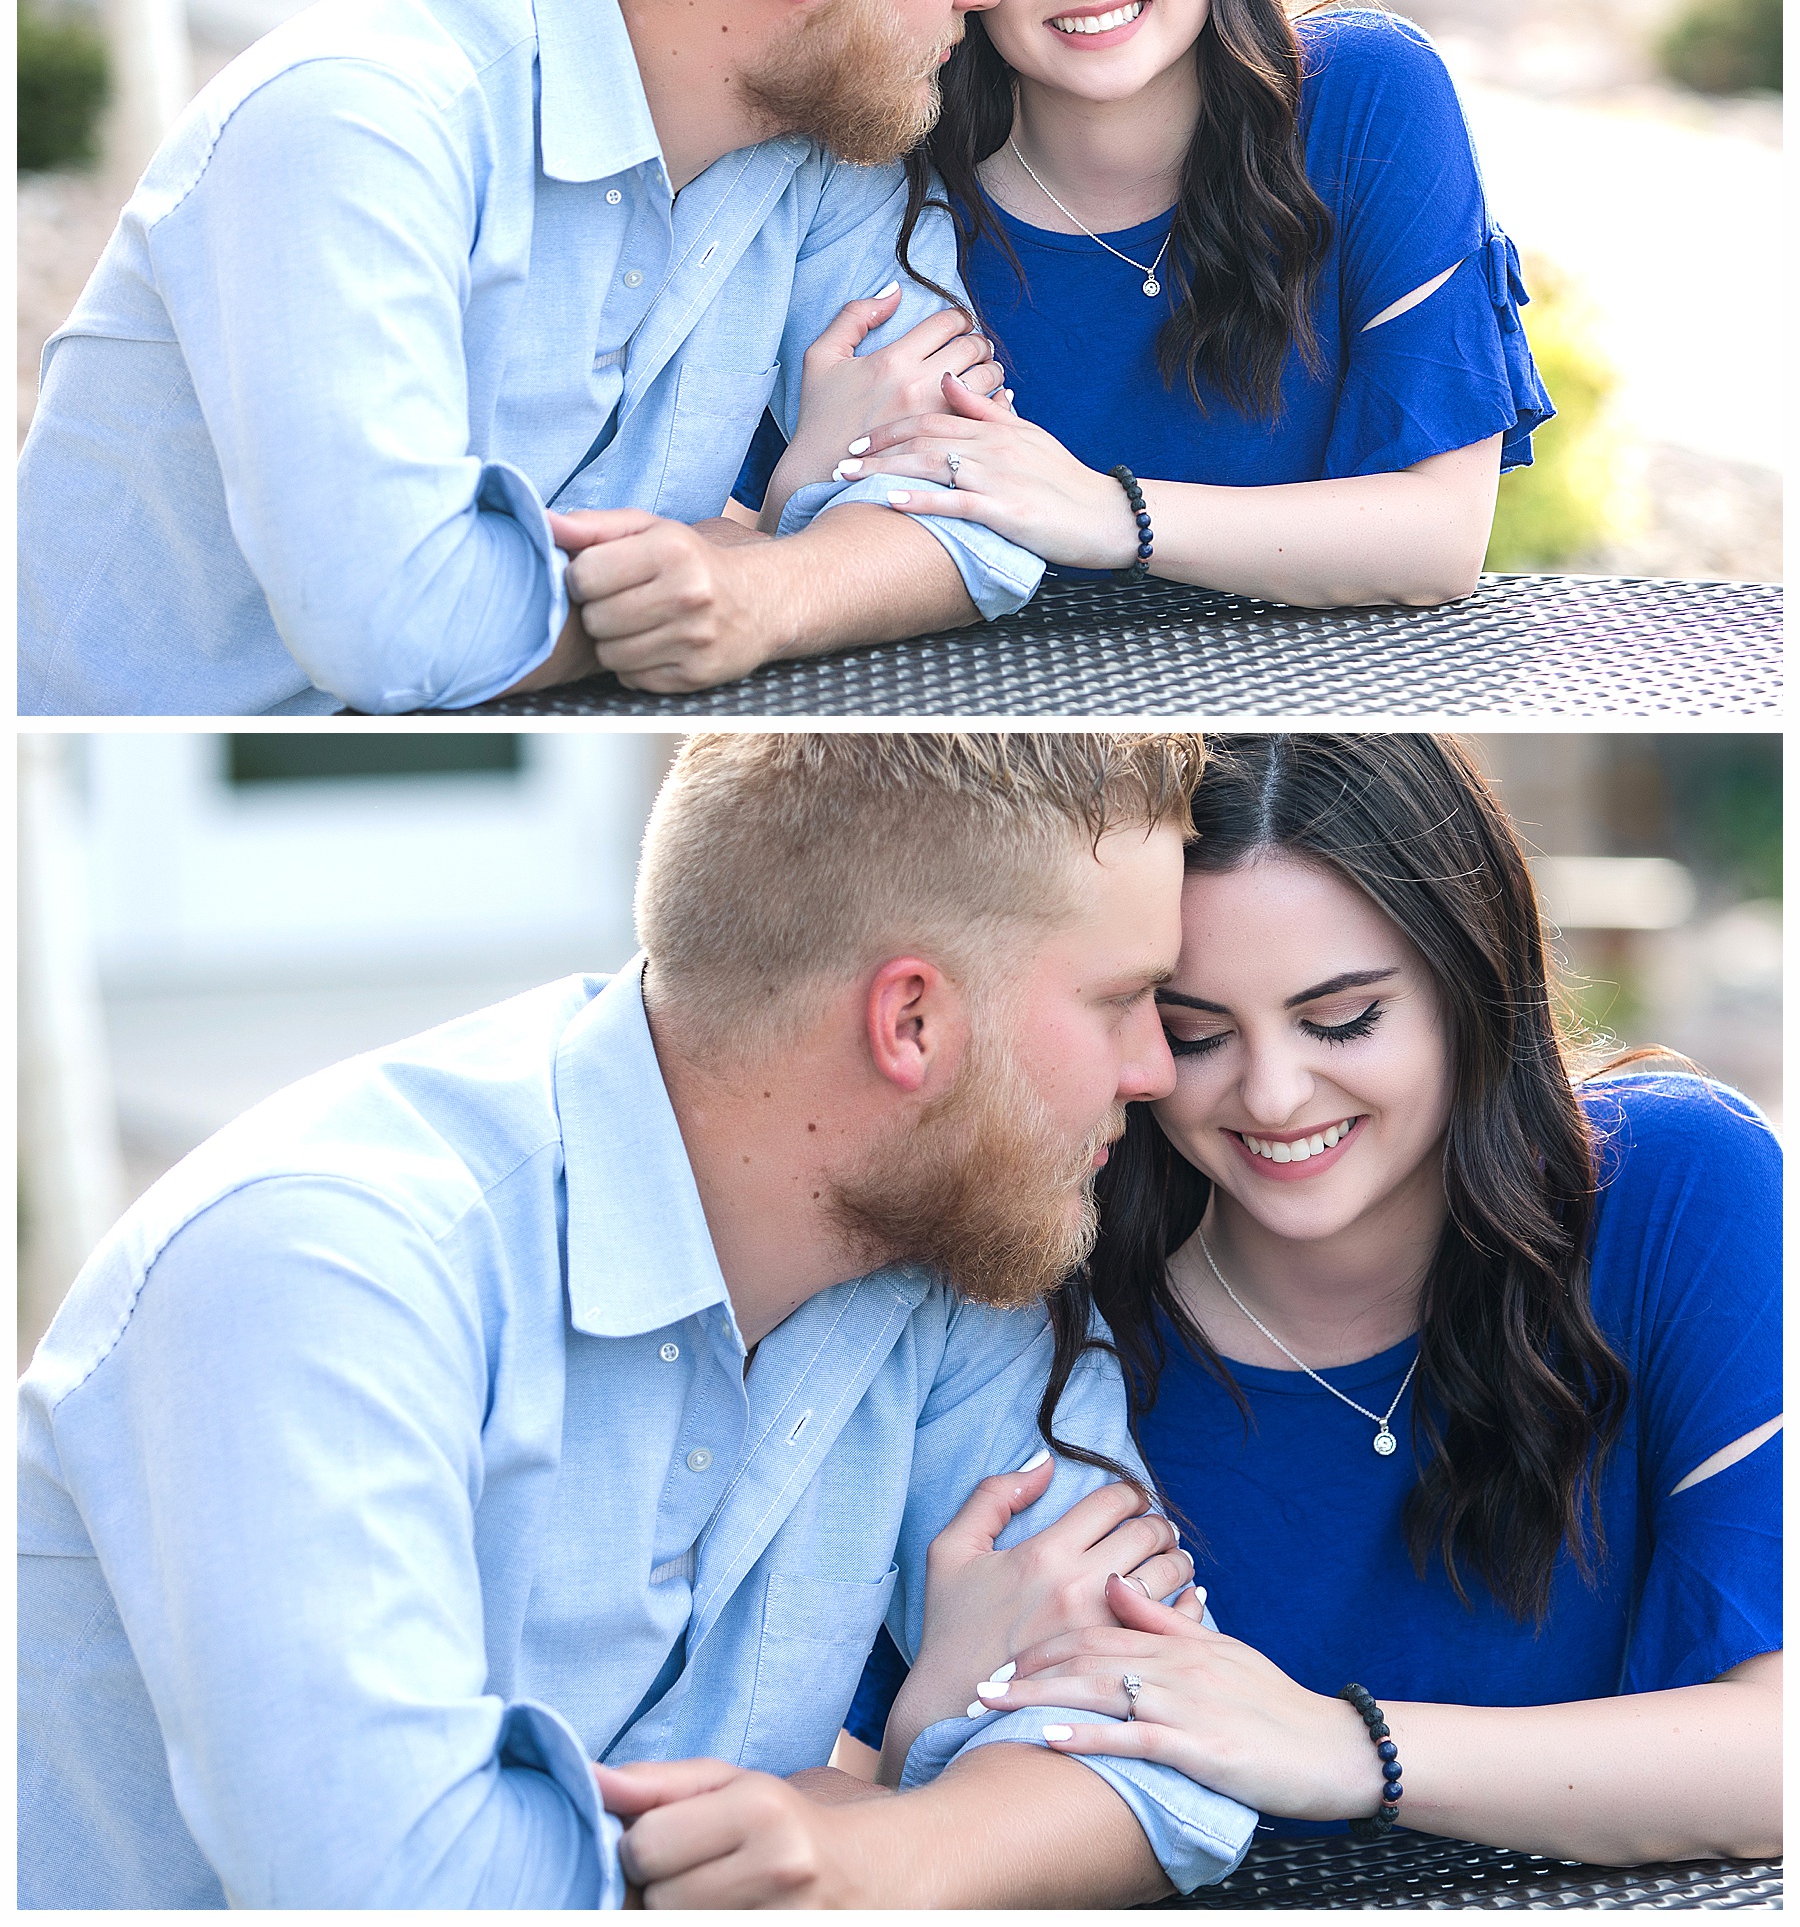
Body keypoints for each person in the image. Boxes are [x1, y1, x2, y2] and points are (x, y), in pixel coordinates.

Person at [19, 730, 1278, 1909]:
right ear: (911, 1022)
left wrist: (872, 1841)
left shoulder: (956, 1232)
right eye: (1122, 1000)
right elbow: (393, 1888)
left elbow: (1174, 1750)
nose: (1155, 1072)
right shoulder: (326, 1265)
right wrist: (896, 1797)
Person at [18, 0, 1051, 718]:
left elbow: (980, 508)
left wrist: (765, 581)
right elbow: (391, 624)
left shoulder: (831, 117)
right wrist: (732, 551)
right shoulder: (359, 123)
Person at [844, 735, 1781, 1864]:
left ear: (1469, 980)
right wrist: (933, 1729)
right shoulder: (1024, 1295)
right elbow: (845, 1825)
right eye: (1196, 1033)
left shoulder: (1676, 1187)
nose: (1276, 1095)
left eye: (1341, 1019)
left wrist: (1345, 1748)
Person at [744, 0, 1552, 608]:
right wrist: (800, 489)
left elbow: (1438, 537)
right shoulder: (878, 164)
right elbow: (715, 546)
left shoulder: (1364, 98)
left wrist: (1109, 513)